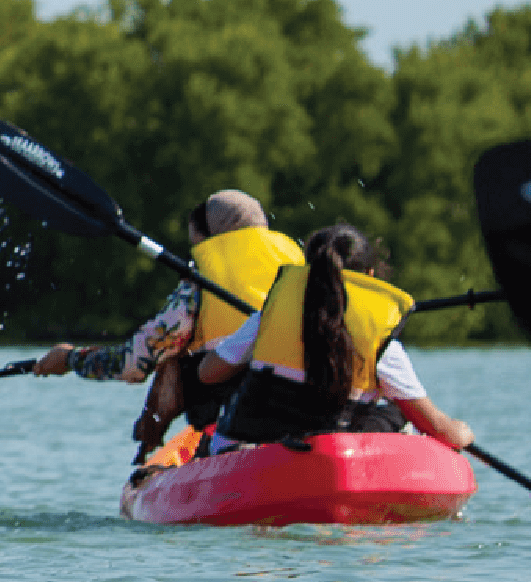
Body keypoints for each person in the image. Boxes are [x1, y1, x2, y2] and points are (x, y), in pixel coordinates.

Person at [33, 189, 300, 454]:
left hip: (236, 430)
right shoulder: (304, 269)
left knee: (171, 362)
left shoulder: (199, 284)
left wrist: (71, 359)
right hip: (308, 422)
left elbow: (132, 364)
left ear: (205, 240)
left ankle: (161, 449)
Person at [195, 223, 475, 450]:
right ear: (370, 275)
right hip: (333, 453)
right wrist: (463, 432)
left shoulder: (268, 316)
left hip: (254, 445)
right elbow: (441, 429)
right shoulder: (382, 338)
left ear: (307, 271)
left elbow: (208, 374)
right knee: (398, 412)